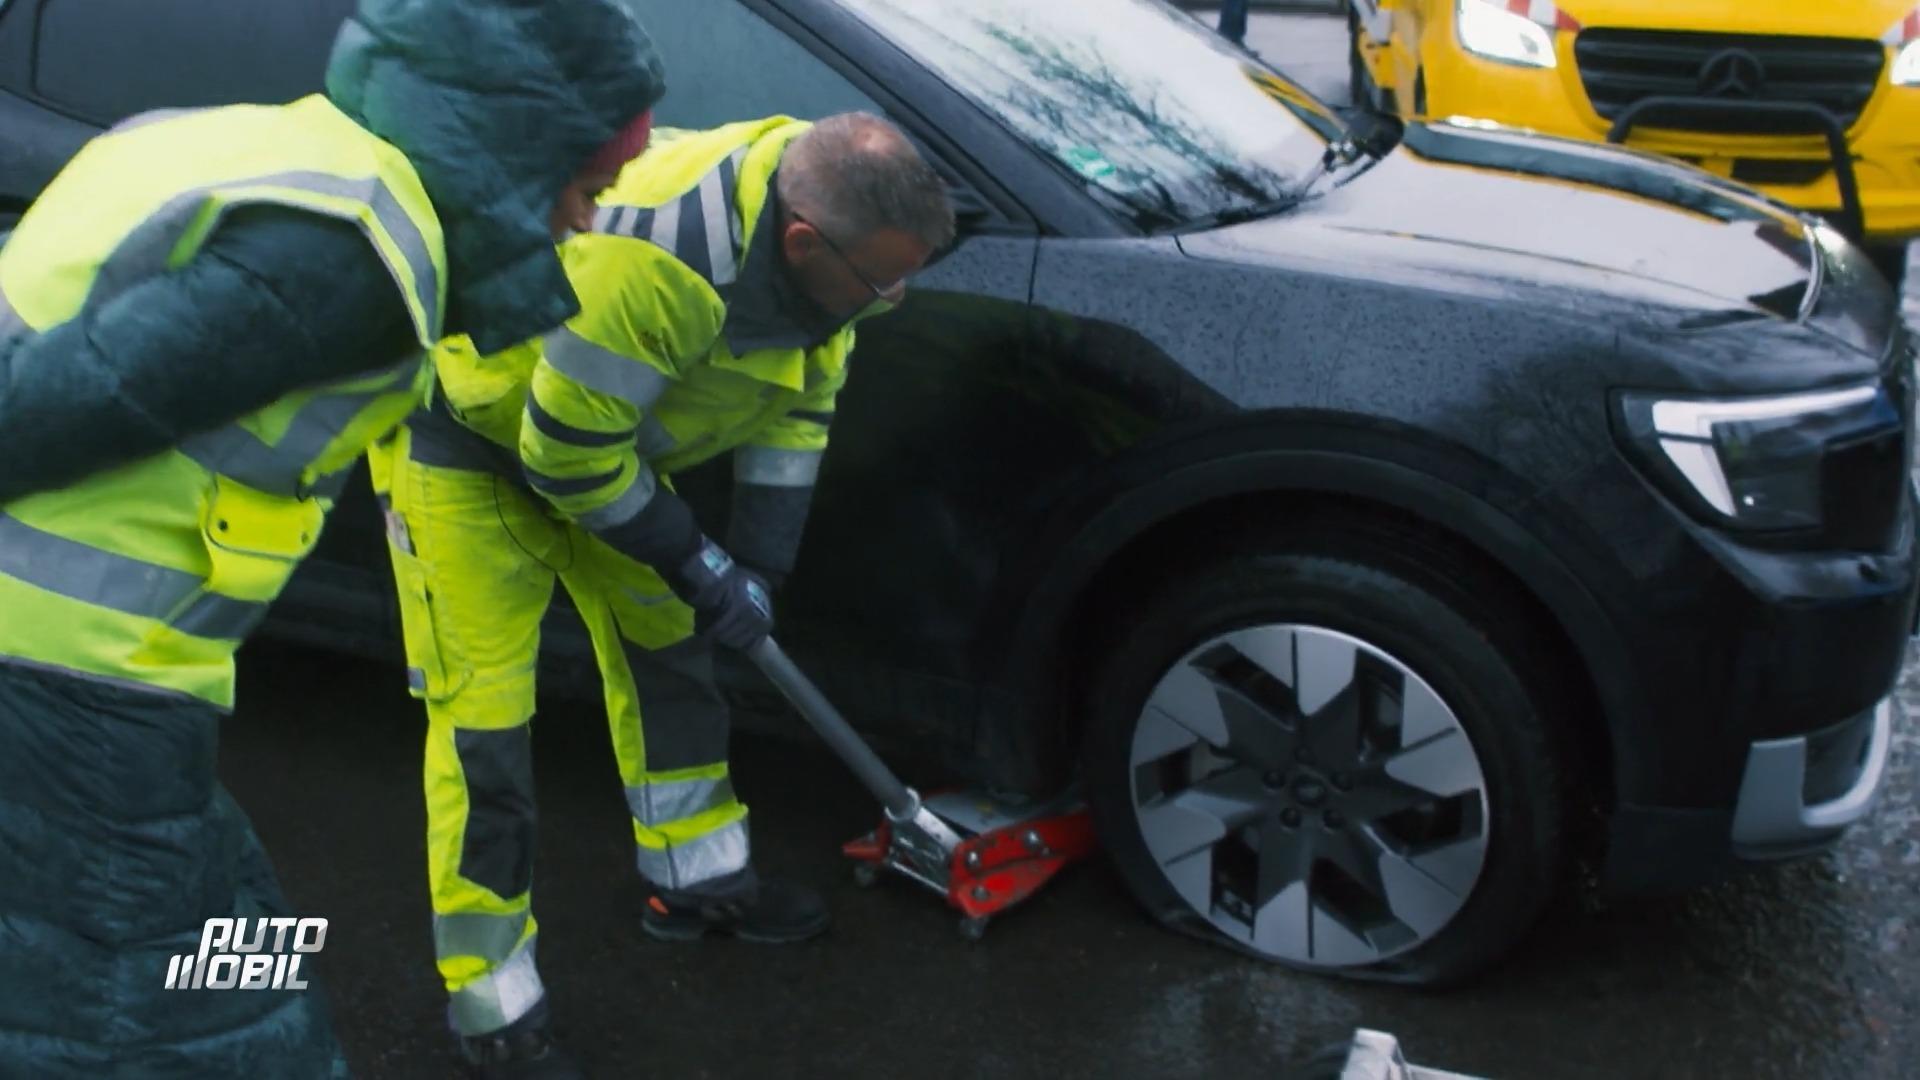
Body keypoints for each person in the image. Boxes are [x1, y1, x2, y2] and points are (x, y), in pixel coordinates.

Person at [0, 0, 665, 1075]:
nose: (586, 222)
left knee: (237, 956)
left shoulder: (256, 146)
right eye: (587, 186)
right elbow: (46, 407)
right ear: (513, 149)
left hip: (95, 681)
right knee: (167, 1019)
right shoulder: (352, 257)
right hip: (62, 681)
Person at [368, 111, 953, 1077]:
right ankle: (491, 1002)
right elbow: (564, 457)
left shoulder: (834, 260)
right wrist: (698, 560)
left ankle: (696, 878)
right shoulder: (657, 256)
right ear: (803, 243)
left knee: (671, 645)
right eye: (880, 280)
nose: (892, 298)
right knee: (484, 730)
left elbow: (799, 404)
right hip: (475, 450)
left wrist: (757, 566)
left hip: (610, 451)